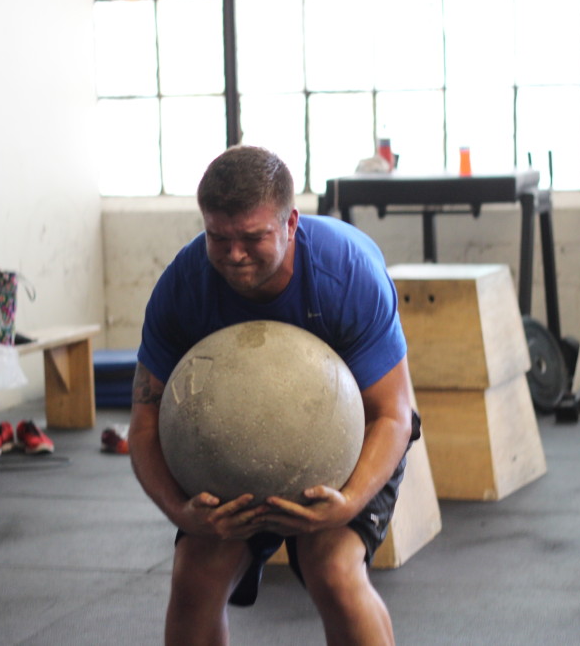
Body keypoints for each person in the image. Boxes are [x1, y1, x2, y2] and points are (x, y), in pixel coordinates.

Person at [129, 145, 417, 646]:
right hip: (225, 461)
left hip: (344, 451)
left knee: (333, 572)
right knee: (194, 575)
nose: (234, 253)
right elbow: (144, 425)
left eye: (253, 236)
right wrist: (181, 512)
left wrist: (347, 502)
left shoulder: (345, 274)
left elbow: (393, 413)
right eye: (219, 237)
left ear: (290, 224)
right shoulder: (183, 287)